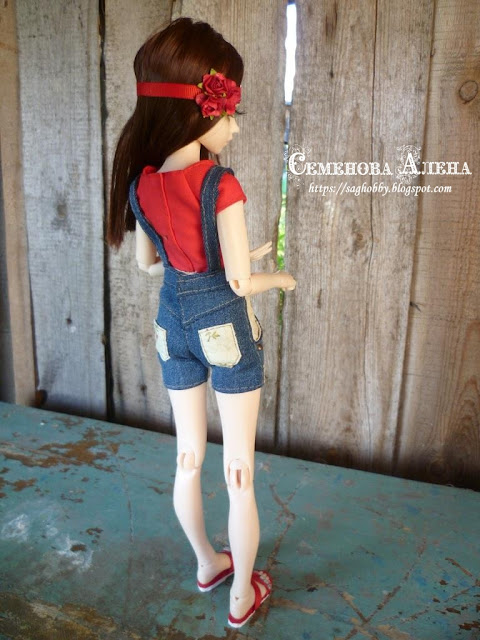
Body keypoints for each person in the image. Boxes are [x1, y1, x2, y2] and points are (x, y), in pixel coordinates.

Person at [107, 16, 296, 628]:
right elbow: (239, 283)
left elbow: (150, 263)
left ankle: (206, 562)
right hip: (224, 329)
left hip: (172, 325)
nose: (233, 125)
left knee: (188, 457)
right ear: (199, 113)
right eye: (228, 112)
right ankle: (242, 592)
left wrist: (230, 259)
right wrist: (277, 278)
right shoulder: (220, 182)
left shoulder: (141, 185)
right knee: (238, 469)